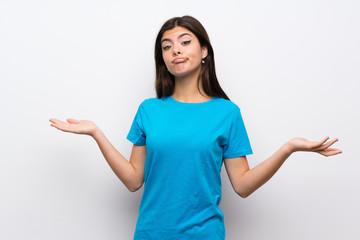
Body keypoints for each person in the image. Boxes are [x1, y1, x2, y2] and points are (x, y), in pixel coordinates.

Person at [49, 15, 342, 240]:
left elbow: (242, 185)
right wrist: (96, 133)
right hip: (151, 234)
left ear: (204, 51)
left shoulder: (227, 113)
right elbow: (133, 180)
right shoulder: (149, 110)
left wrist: (288, 148)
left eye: (184, 41)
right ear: (163, 60)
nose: (175, 50)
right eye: (167, 46)